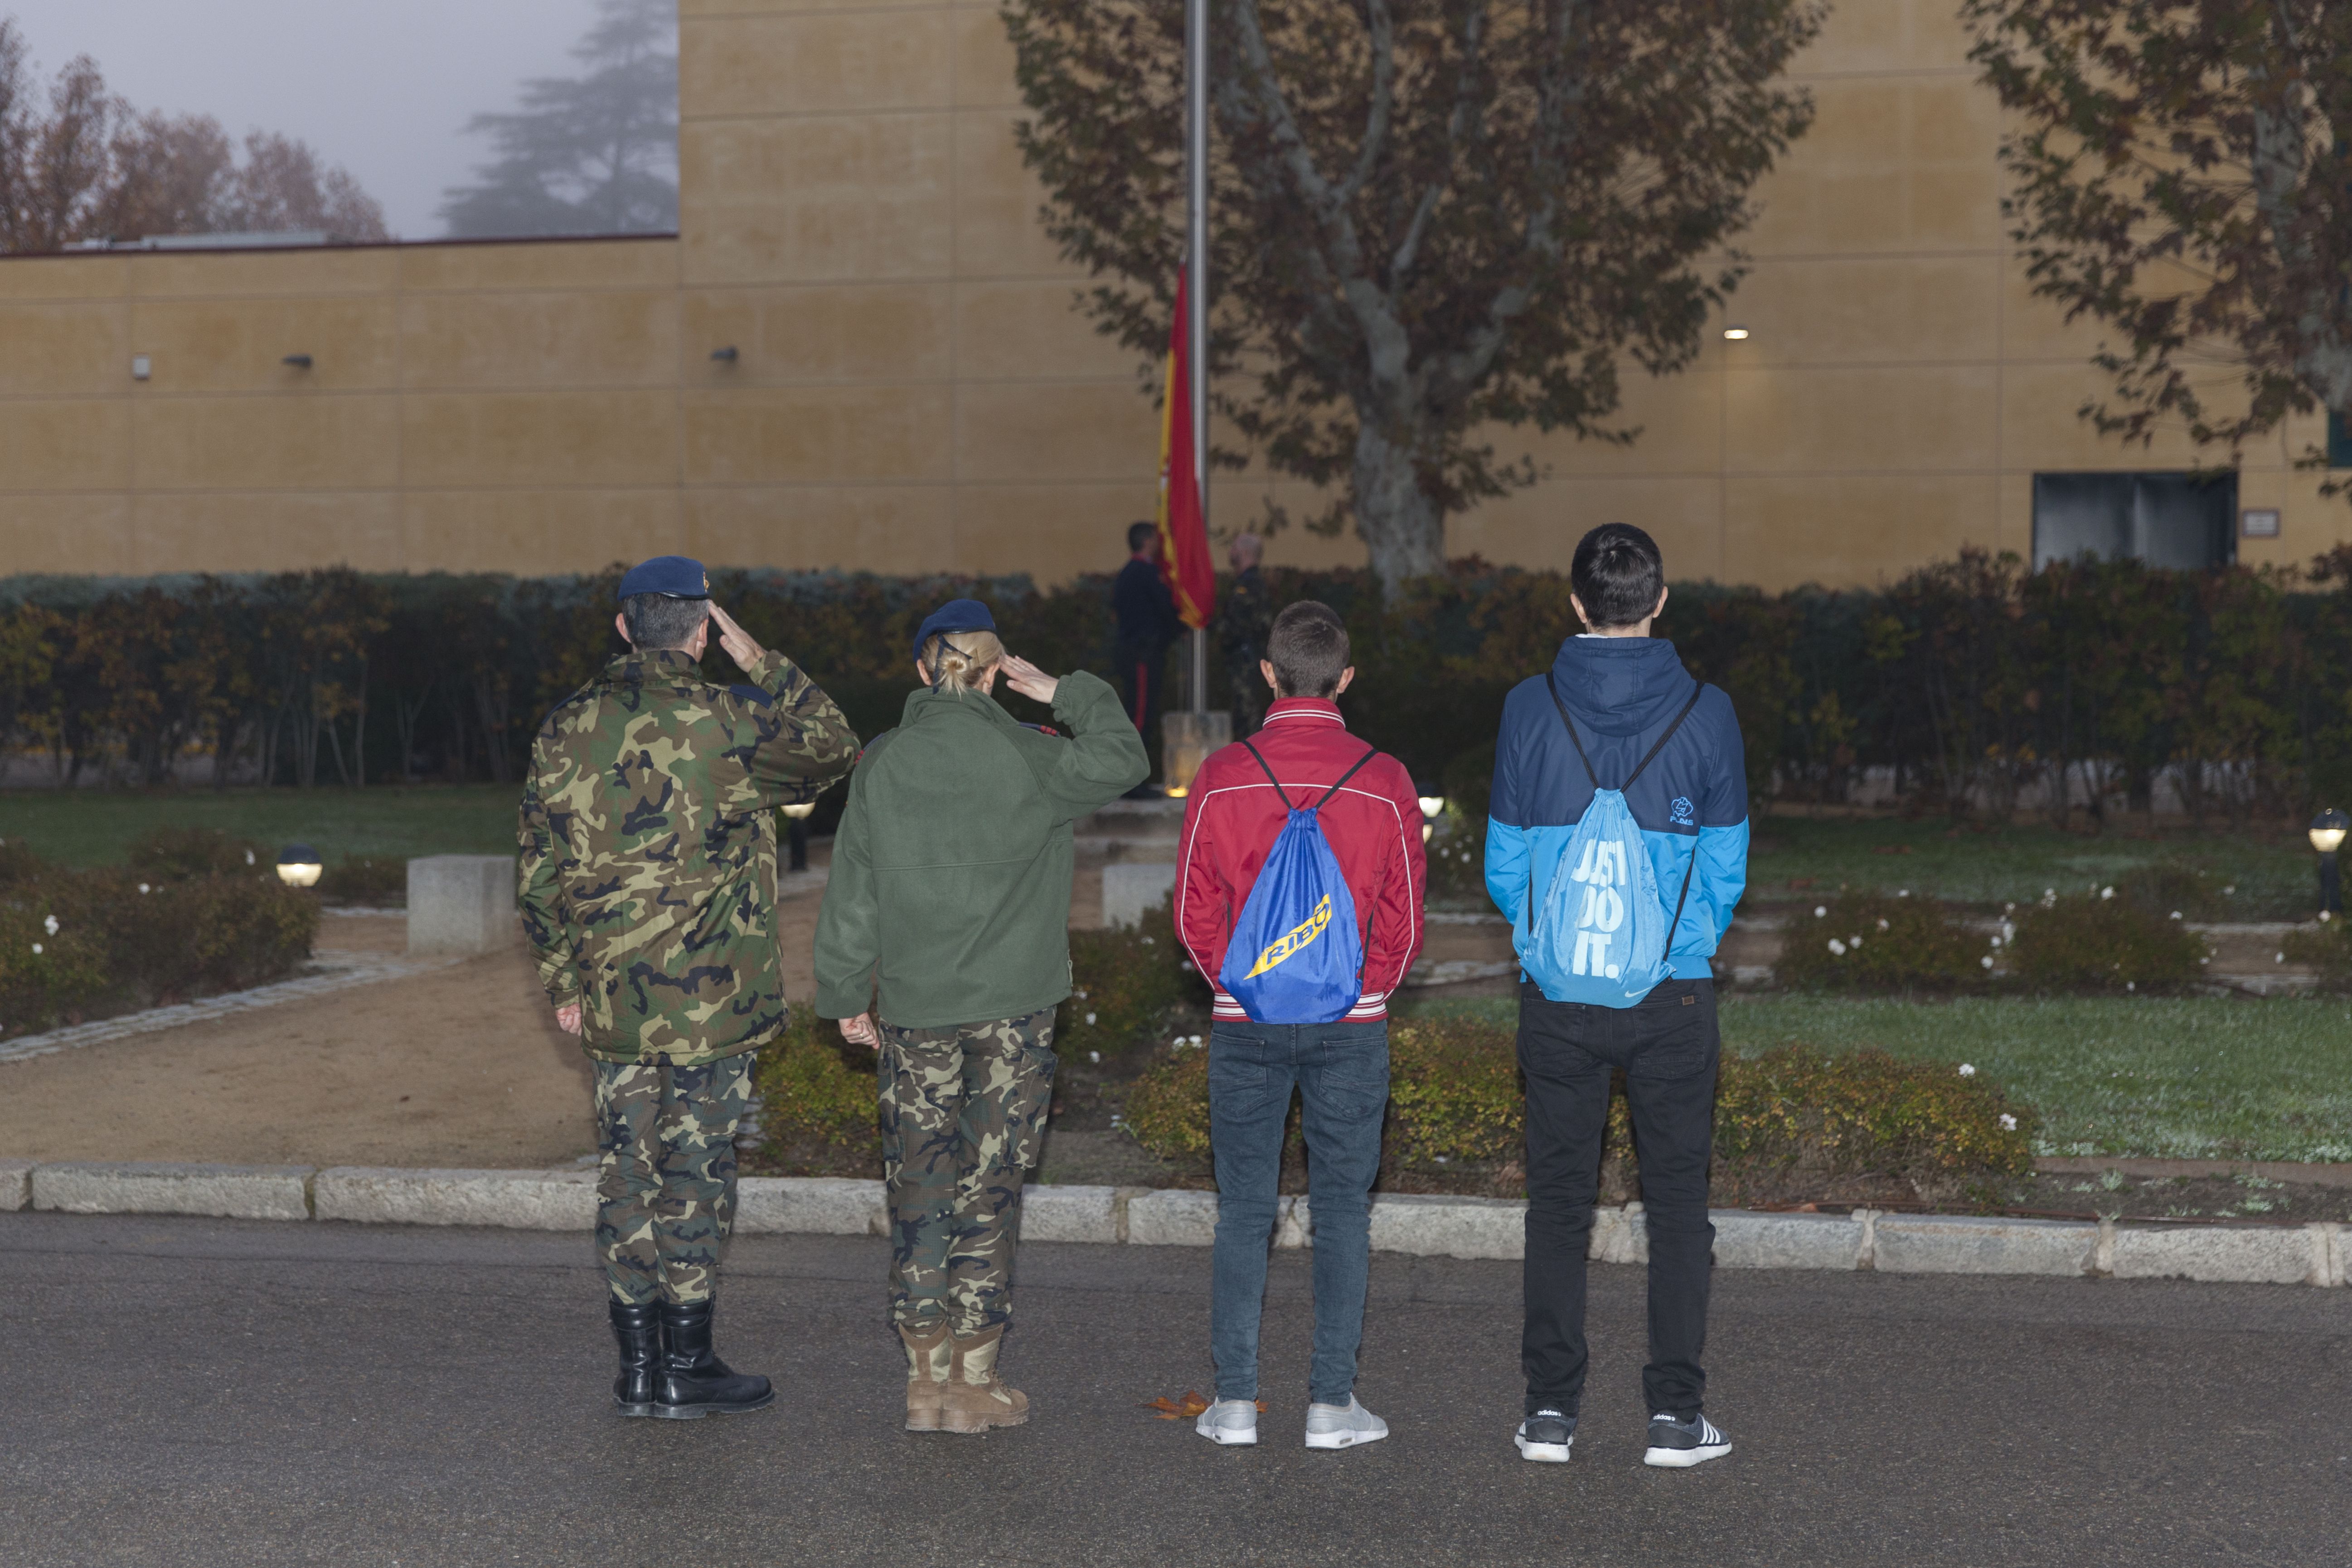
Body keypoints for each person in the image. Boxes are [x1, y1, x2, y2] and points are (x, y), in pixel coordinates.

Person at [518, 554, 860, 1420]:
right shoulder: (729, 721)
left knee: (627, 1175)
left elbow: (537, 874)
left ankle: (638, 1369)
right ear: (702, 632)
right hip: (713, 1006)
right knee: (696, 1174)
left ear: (623, 626)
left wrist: (564, 980)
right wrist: (757, 657)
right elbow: (835, 743)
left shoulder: (565, 726)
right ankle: (688, 1362)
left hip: (613, 1000)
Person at [812, 597, 1147, 1435]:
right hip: (1012, 1013)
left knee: (917, 1185)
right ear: (997, 670)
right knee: (988, 1188)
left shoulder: (883, 762)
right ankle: (975, 1378)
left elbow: (852, 890)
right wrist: (1061, 689)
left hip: (918, 1010)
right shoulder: (1033, 756)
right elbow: (1124, 755)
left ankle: (922, 1380)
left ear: (920, 667)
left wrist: (847, 995)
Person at [1484, 523, 1748, 1469]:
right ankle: (1674, 1417)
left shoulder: (1526, 707)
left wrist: (1538, 946)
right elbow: (1723, 863)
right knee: (1676, 1205)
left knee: (1557, 1203)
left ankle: (1547, 1413)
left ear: (1572, 603)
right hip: (1670, 999)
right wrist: (1681, 949)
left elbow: (1503, 857)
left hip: (1554, 995)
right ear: (1659, 601)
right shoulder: (1708, 712)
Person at [1174, 601, 1427, 1451]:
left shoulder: (1220, 774)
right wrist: (1366, 988)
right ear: (1345, 678)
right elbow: (1403, 915)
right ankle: (1330, 1404)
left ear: (1266, 675)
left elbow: (1190, 908)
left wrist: (1240, 982)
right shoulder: (1385, 777)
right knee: (1342, 1213)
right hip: (1349, 1026)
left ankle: (1235, 1404)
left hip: (1244, 1021)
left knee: (1243, 1211)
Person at [1112, 519, 1179, 792]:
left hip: (1138, 652)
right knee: (1139, 717)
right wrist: (1180, 626)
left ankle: (1135, 779)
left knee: (1141, 714)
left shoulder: (1129, 573)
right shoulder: (1144, 573)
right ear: (1147, 541)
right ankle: (1132, 782)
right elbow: (1164, 608)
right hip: (1143, 655)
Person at [1217, 532, 1272, 735]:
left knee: (1247, 719)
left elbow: (1239, 625)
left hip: (1246, 662)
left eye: (1234, 548)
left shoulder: (1248, 585)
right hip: (1245, 660)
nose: (1231, 553)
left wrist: (1208, 624)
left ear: (1246, 552)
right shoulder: (1250, 582)